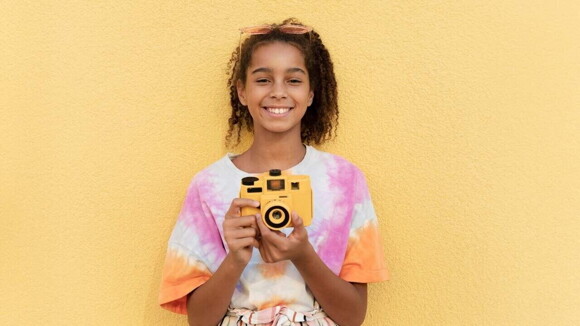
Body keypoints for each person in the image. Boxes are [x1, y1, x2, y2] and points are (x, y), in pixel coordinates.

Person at [158, 18, 389, 326]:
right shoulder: (209, 185)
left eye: (294, 80)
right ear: (242, 91)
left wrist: (303, 253)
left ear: (310, 94)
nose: (278, 92)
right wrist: (236, 257)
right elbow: (198, 320)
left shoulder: (344, 182)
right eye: (263, 79)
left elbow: (353, 316)